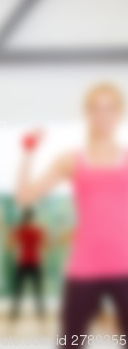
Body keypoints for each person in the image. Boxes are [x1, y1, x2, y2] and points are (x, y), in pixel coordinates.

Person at [16, 83, 128, 348]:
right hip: (84, 266)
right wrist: (27, 154)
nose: (103, 116)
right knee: (70, 342)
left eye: (109, 109)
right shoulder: (71, 159)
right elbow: (26, 196)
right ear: (87, 114)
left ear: (118, 113)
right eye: (96, 109)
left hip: (125, 264)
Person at [7, 207, 47, 321]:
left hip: (23, 262)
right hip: (34, 262)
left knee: (19, 290)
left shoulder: (20, 230)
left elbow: (9, 245)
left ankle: (14, 314)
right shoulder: (36, 230)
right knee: (37, 290)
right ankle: (41, 313)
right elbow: (45, 245)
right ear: (32, 218)